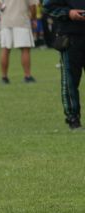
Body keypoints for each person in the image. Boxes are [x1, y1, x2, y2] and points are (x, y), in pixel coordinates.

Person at [44, 0, 85, 130]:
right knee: (70, 81)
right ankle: (73, 118)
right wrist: (68, 13)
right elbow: (47, 6)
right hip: (70, 37)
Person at [0, 0, 37, 83]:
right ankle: (27, 76)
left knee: (5, 49)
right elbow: (33, 6)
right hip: (22, 20)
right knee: (25, 49)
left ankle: (4, 77)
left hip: (6, 21)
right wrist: (34, 19)